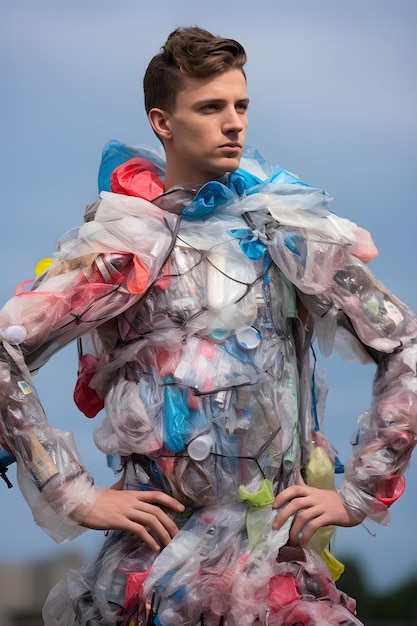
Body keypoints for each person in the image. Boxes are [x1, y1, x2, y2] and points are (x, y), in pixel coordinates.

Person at [0, 26, 416, 626]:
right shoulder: (127, 245)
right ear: (162, 122)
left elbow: (404, 342)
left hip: (277, 569)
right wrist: (70, 493)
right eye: (210, 107)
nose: (234, 123)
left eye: (241, 106)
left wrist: (360, 492)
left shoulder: (288, 234)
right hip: (152, 573)